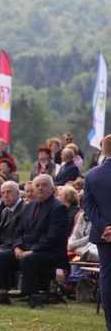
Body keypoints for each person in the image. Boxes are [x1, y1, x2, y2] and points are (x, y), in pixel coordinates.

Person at [0, 174, 69, 308]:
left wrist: (32, 250)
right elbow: (19, 231)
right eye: (37, 185)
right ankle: (3, 295)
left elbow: (52, 237)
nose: (40, 188)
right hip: (25, 249)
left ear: (52, 188)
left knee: (28, 259)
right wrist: (17, 247)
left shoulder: (58, 208)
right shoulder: (29, 206)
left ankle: (34, 297)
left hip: (50, 252)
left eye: (44, 185)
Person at [81, 133, 111, 330]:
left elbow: (88, 206)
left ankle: (110, 322)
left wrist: (104, 227)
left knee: (107, 277)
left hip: (103, 234)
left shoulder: (91, 175)